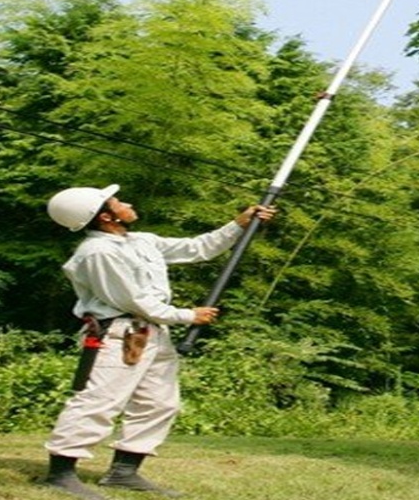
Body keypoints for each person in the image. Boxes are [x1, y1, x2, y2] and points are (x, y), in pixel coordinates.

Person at [41, 183, 276, 498]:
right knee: (99, 402)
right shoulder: (98, 252)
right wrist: (187, 315)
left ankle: (124, 472)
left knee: (159, 402)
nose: (126, 202)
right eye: (117, 202)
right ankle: (61, 473)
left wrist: (238, 224)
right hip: (118, 333)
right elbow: (131, 300)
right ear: (106, 218)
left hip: (153, 333)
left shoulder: (140, 241)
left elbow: (198, 248)